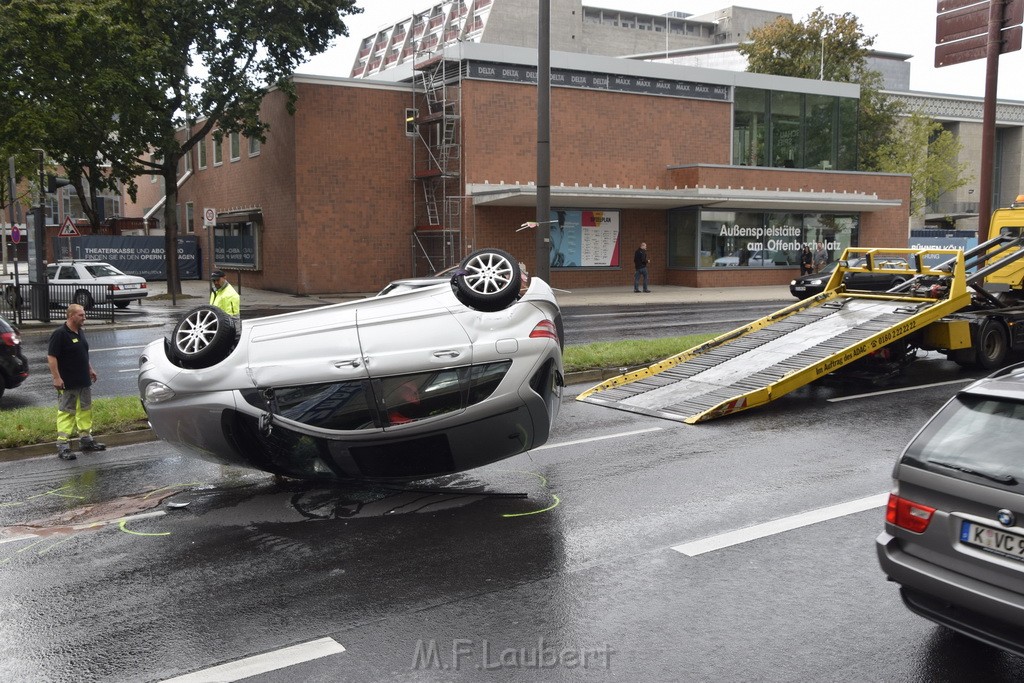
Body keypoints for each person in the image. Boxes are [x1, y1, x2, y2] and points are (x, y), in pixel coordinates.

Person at [47, 304, 105, 460]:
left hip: (83, 380)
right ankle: (63, 446)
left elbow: (83, 353)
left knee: (85, 410)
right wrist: (56, 377)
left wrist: (90, 369)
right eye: (81, 315)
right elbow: (52, 357)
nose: (84, 317)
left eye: (84, 314)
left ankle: (86, 440)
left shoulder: (80, 332)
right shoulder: (59, 334)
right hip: (68, 382)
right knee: (67, 413)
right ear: (71, 316)